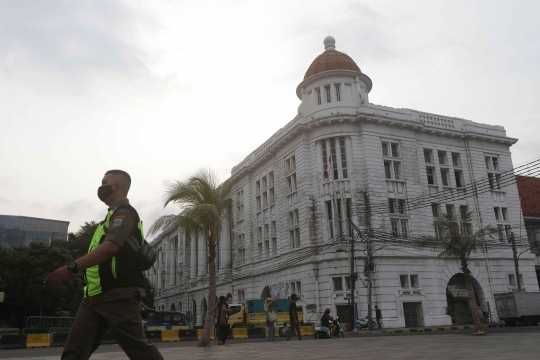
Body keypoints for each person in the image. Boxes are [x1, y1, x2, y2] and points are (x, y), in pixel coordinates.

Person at [44, 170, 163, 360]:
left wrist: (71, 267)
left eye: (104, 182)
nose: (101, 187)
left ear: (116, 186)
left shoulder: (125, 214)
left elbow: (110, 248)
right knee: (74, 352)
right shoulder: (106, 221)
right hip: (93, 297)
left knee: (139, 350)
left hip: (116, 295)